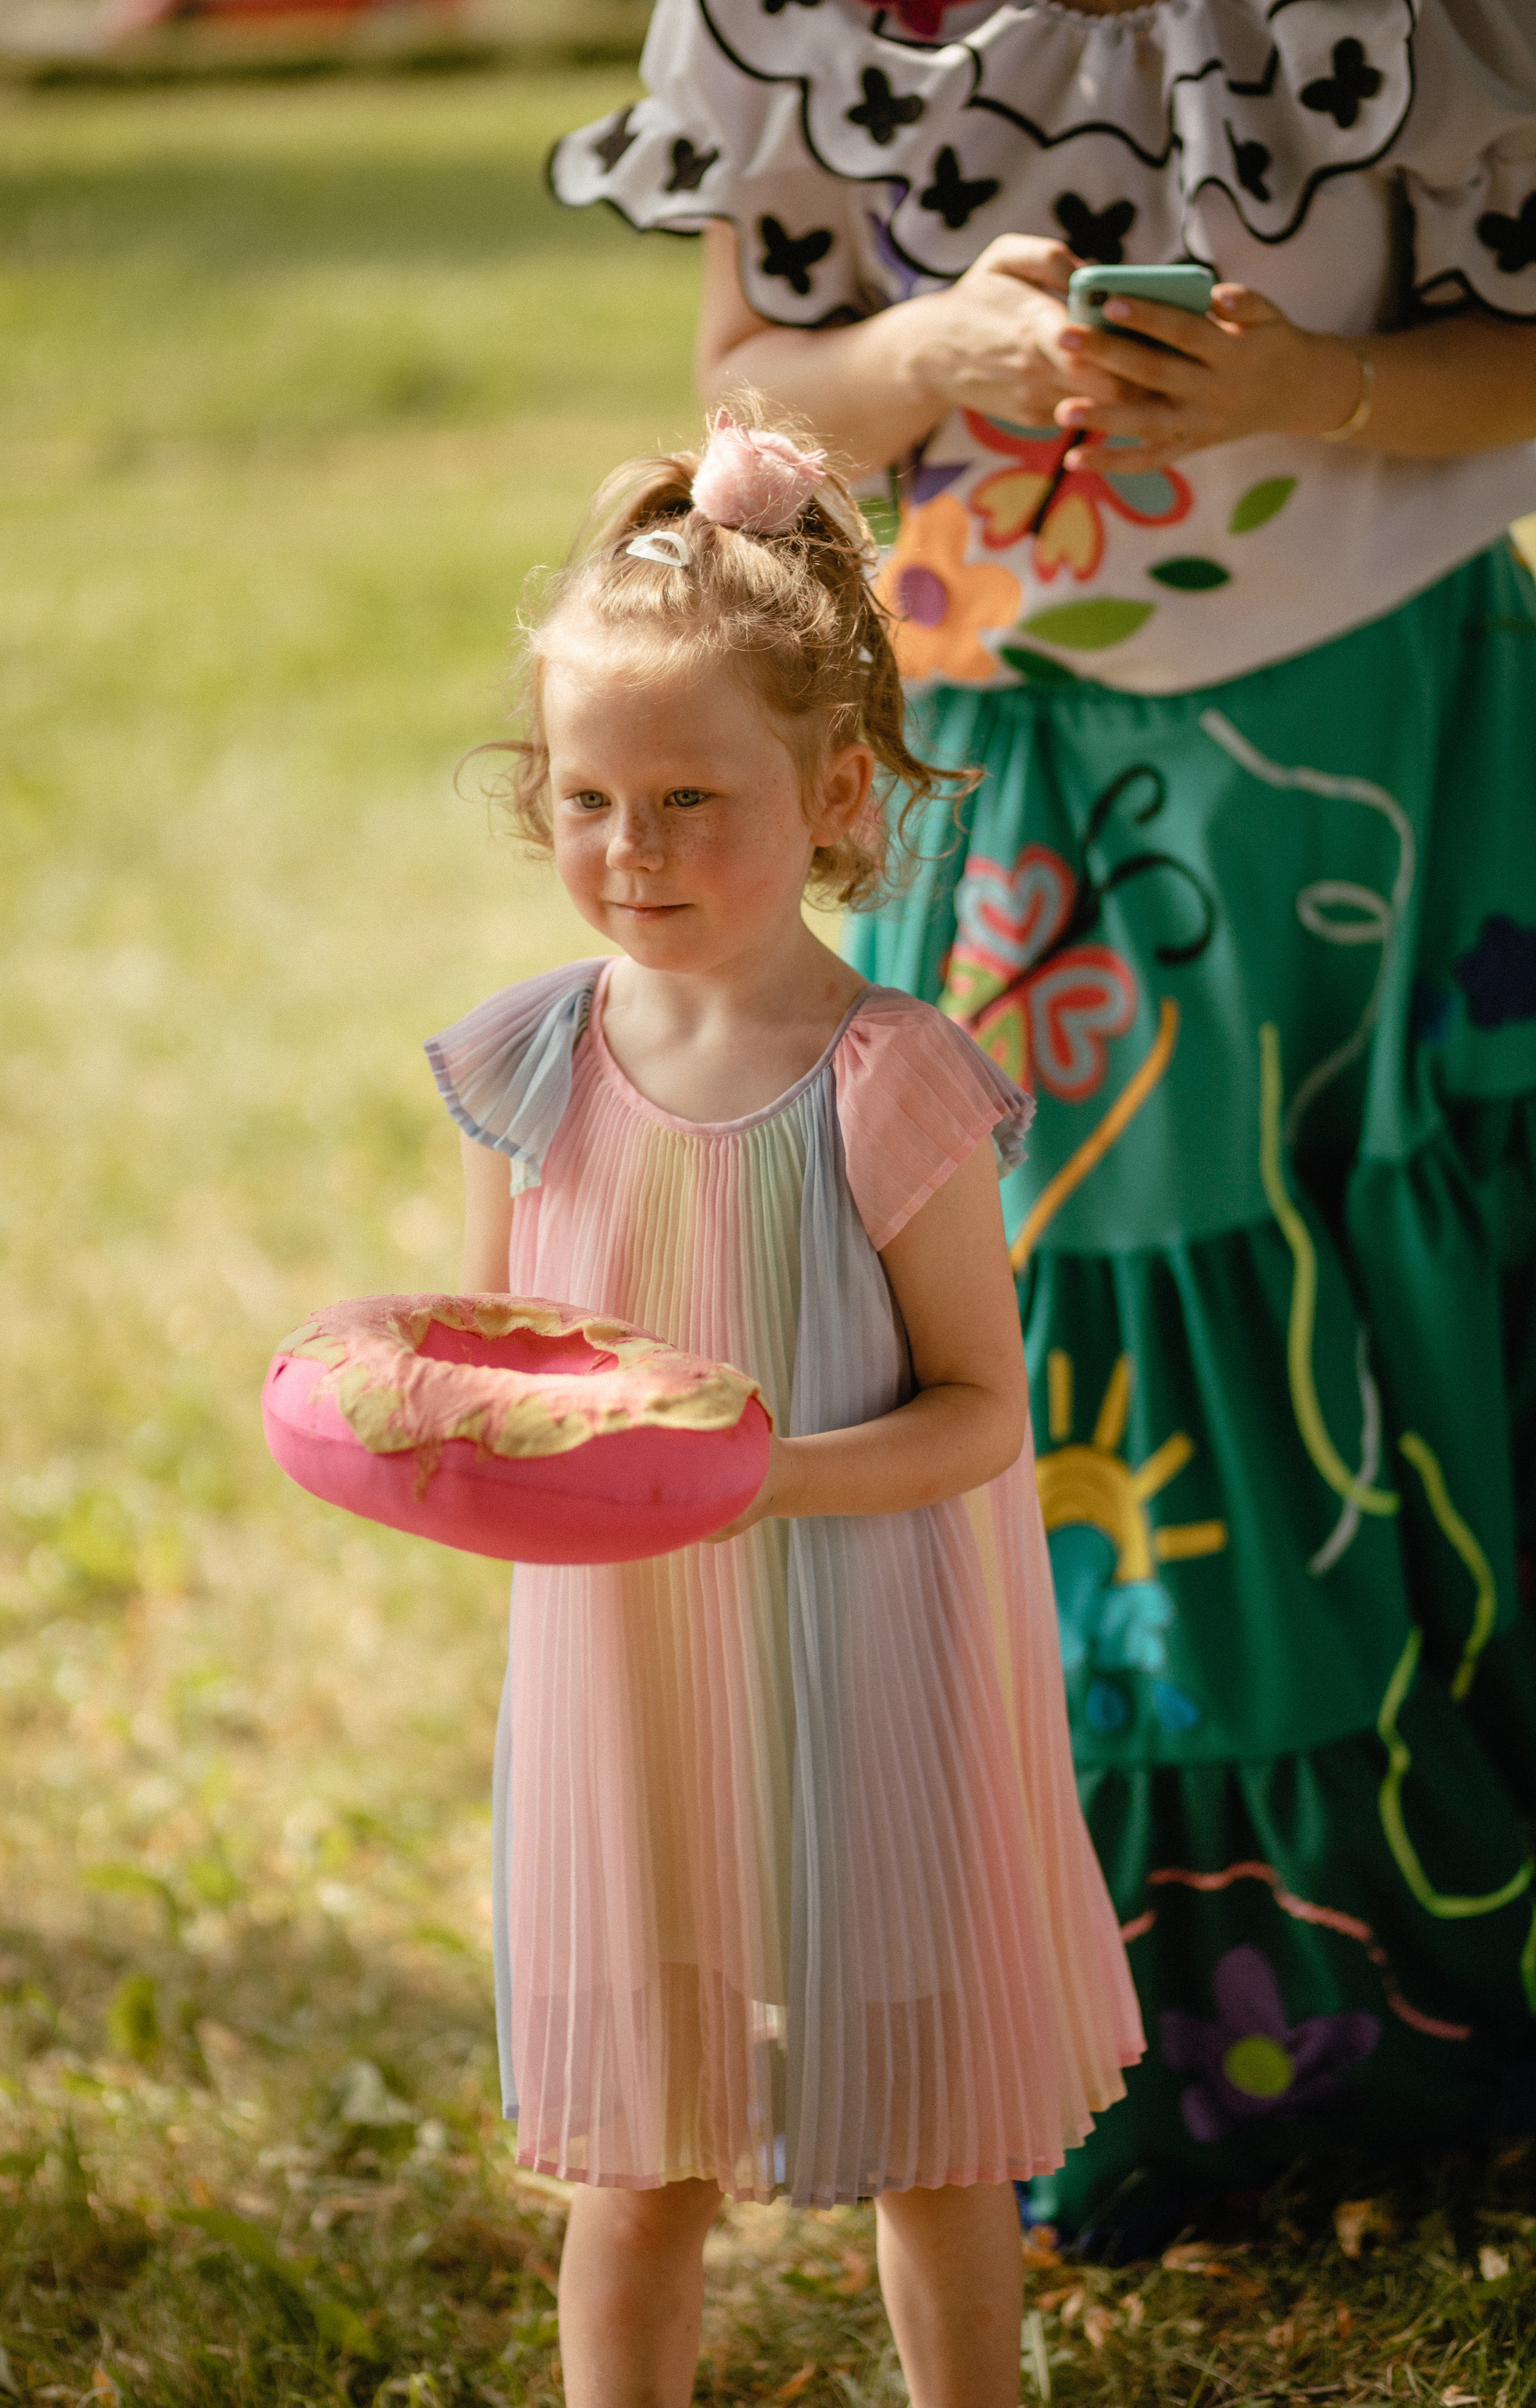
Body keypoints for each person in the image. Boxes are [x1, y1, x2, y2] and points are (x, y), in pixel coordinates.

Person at [549, 0, 1536, 2242]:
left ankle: (1466, 1989)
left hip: (1372, 737)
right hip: (983, 752)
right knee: (1040, 1340)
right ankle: (1118, 2043)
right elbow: (745, 388)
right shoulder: (804, 23)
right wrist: (913, 363)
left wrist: (1322, 387)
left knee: (1404, 1293)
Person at [424, 412, 1143, 2405]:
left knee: (925, 2123)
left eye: (688, 800)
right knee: (644, 2149)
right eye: (587, 799)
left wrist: (765, 1480)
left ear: (832, 794)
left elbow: (984, 1411)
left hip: (866, 1651)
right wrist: (421, 1409)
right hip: (631, 1677)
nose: (630, 853)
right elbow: (511, 1358)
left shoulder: (887, 1078)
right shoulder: (528, 1066)